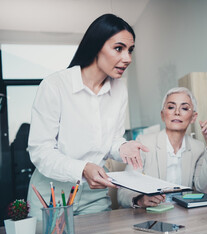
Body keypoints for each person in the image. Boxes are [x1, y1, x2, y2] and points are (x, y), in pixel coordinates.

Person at [27, 14, 148, 219]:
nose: (127, 58)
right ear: (96, 45)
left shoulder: (119, 89)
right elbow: (41, 151)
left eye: (130, 50)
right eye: (118, 48)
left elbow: (111, 140)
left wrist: (122, 147)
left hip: (95, 196)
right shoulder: (55, 86)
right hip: (52, 196)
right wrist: (82, 168)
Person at [117, 87, 207, 208]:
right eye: (171, 107)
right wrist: (139, 200)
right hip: (151, 216)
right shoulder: (143, 143)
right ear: (162, 115)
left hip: (185, 215)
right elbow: (123, 193)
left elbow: (205, 189)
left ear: (193, 117)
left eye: (184, 108)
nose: (177, 112)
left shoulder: (199, 148)